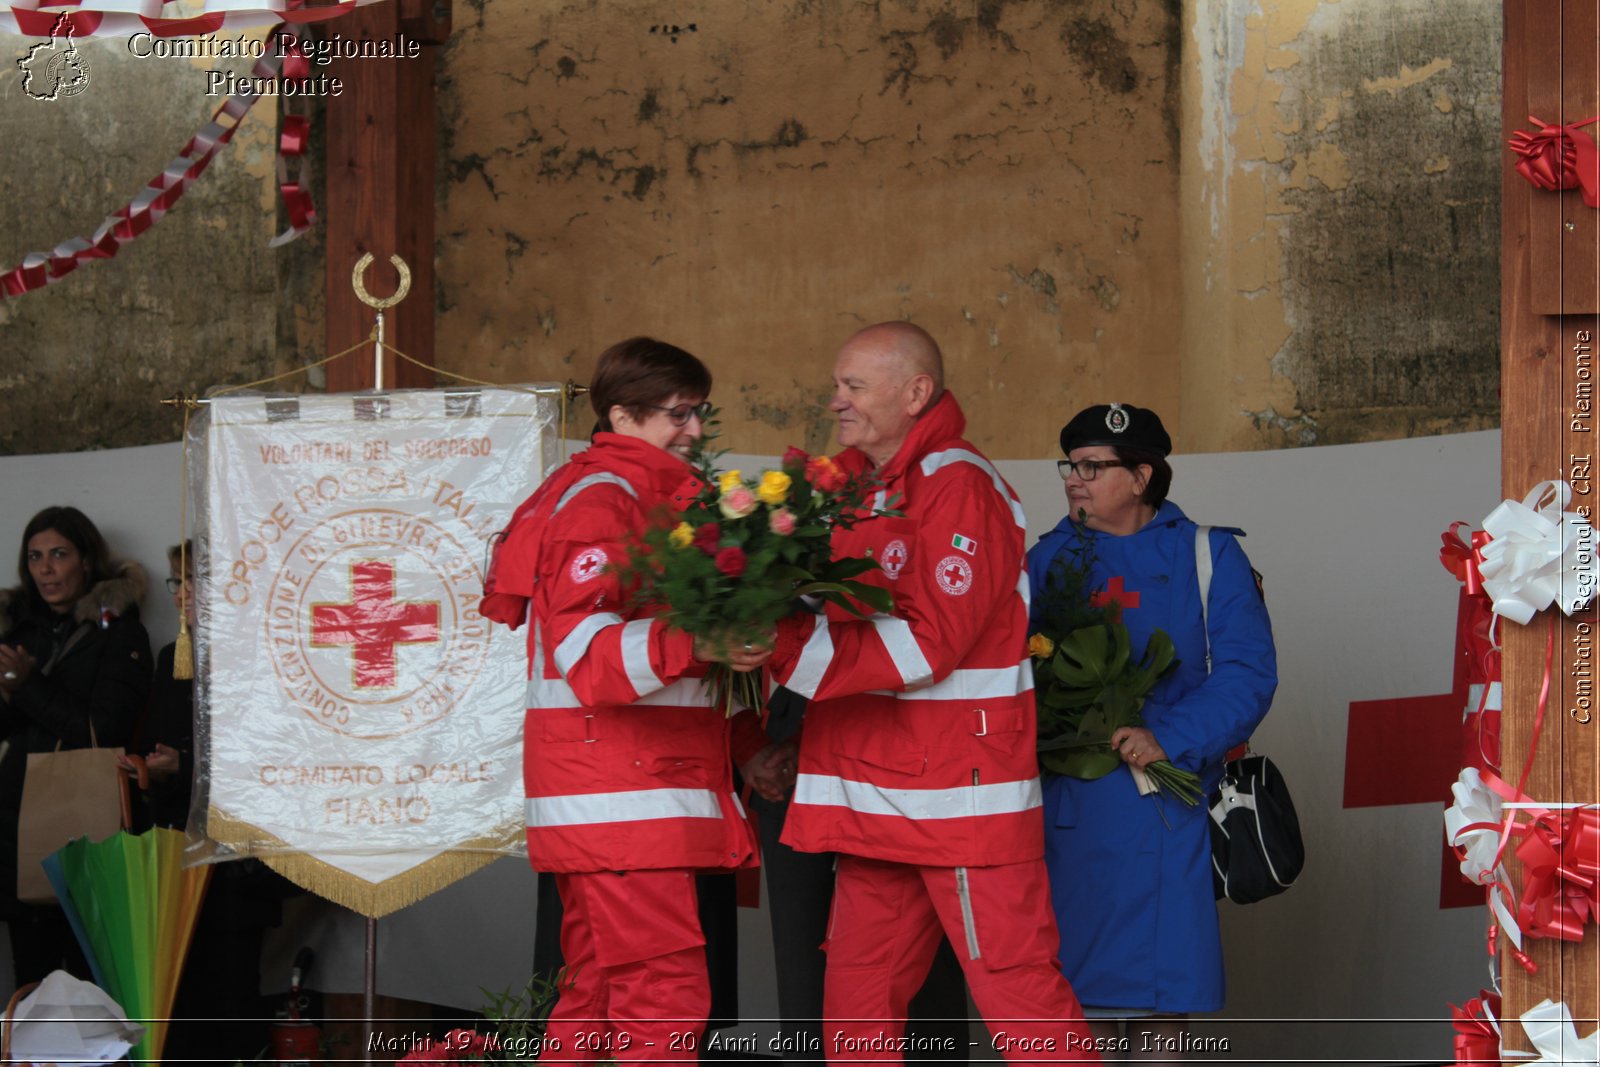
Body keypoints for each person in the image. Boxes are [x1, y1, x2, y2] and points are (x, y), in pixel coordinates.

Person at [765, 321, 1099, 1063]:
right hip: (876, 789)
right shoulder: (855, 487)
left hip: (958, 795)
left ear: (915, 392)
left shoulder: (959, 485)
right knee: (856, 996)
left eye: (853, 385)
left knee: (1018, 995)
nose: (836, 400)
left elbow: (929, 642)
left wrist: (779, 644)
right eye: (838, 384)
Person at [479, 336, 787, 1063]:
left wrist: (742, 733)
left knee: (595, 991)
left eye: (699, 412)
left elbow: (674, 673)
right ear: (621, 414)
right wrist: (701, 641)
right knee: (663, 993)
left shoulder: (642, 496)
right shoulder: (604, 501)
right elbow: (584, 654)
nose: (692, 430)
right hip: (622, 796)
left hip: (622, 792)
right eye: (677, 414)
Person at [1027, 403, 1276, 1060]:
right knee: (1073, 1007)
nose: (1073, 479)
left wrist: (1168, 734)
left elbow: (1248, 673)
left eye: (1091, 467)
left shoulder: (1207, 552)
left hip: (1167, 806)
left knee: (1162, 1008)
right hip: (1066, 815)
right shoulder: (1043, 560)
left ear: (1141, 476)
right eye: (1069, 466)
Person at [122, 542, 287, 1062]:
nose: (183, 595)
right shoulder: (174, 655)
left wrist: (184, 765)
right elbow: (160, 744)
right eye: (176, 582)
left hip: (237, 860)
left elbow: (269, 762)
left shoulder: (260, 654)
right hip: (180, 856)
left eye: (197, 581)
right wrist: (147, 772)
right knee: (181, 1001)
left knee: (233, 998)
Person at [0, 506, 151, 987]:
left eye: (59, 554)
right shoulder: (20, 632)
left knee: (94, 986)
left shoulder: (120, 631)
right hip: (17, 827)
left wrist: (25, 687)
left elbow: (102, 732)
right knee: (32, 983)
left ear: (86, 560)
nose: (45, 568)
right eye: (35, 557)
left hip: (87, 829)